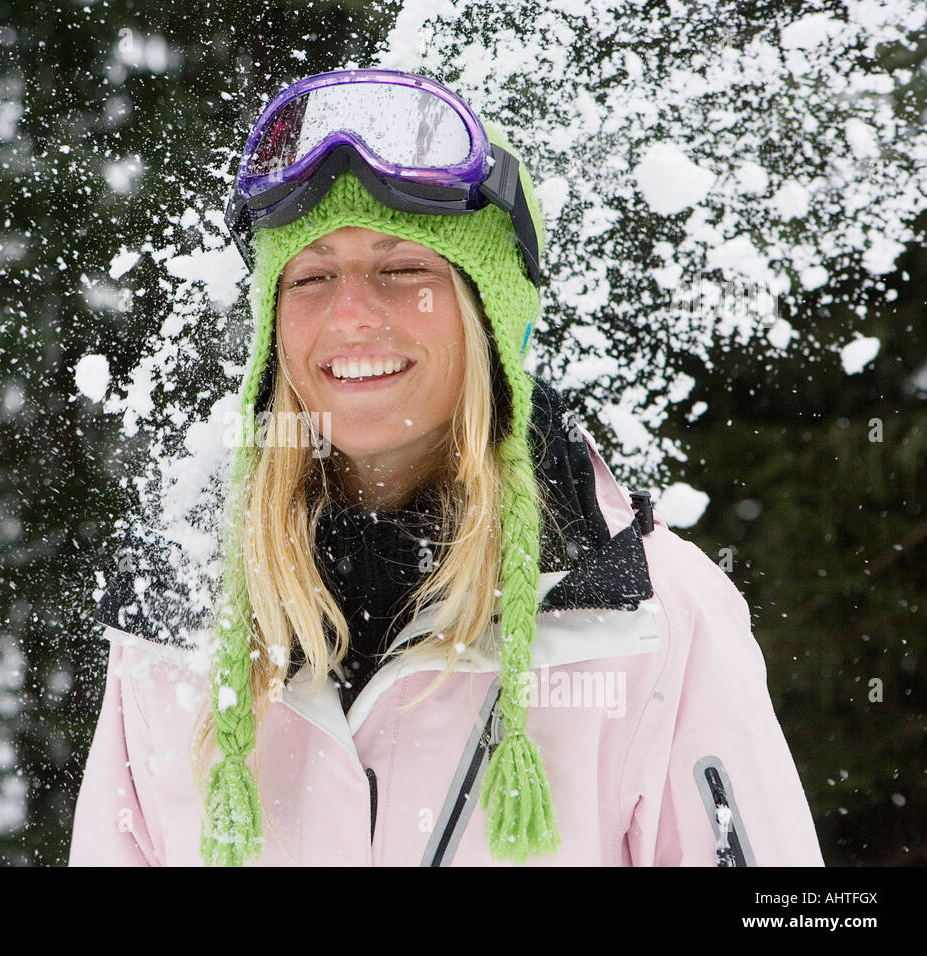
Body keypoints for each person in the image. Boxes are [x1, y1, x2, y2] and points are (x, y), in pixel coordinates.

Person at [68, 68, 825, 866]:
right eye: (312, 276)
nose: (351, 314)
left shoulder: (649, 620)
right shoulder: (176, 622)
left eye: (404, 272)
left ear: (493, 323)